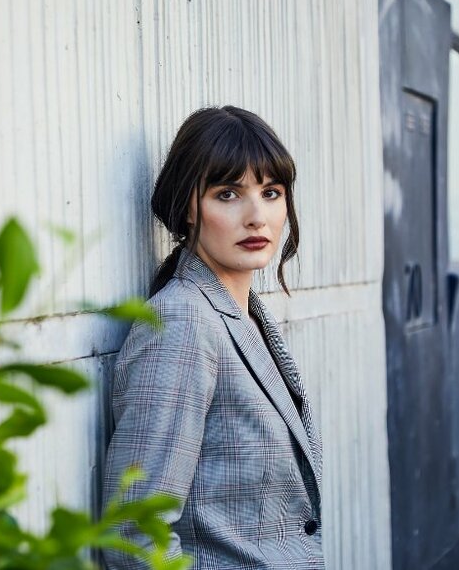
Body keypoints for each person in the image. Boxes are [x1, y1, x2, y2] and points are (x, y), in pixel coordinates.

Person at [102, 106, 324, 569]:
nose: (257, 216)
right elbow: (135, 533)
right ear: (187, 205)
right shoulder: (182, 322)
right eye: (228, 194)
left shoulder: (244, 315)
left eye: (271, 192)